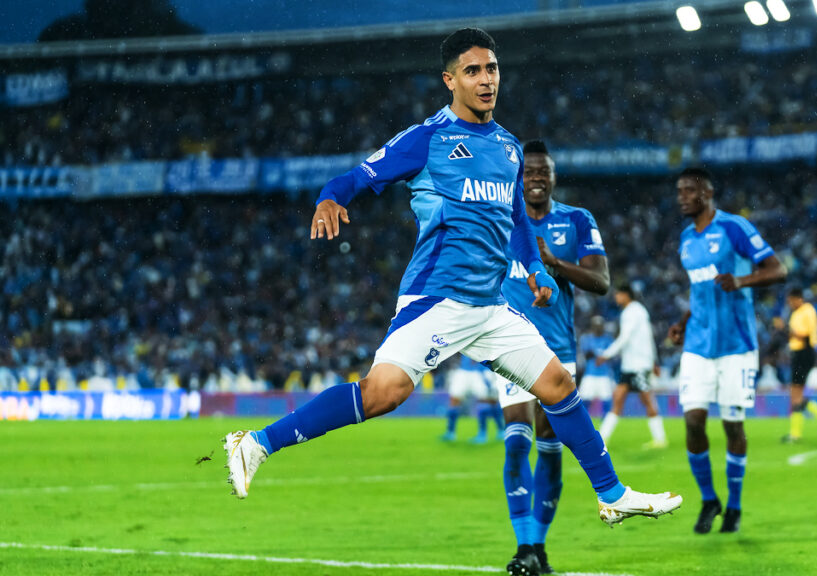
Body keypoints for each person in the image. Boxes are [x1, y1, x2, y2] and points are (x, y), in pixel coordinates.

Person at [223, 28, 681, 532]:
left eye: (492, 69)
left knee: (557, 384)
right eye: (472, 71)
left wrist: (533, 270)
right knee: (383, 394)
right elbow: (353, 178)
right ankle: (258, 444)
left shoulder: (509, 148)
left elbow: (518, 224)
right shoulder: (427, 138)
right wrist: (330, 199)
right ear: (450, 80)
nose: (486, 80)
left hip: (490, 307)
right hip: (438, 297)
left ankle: (612, 495)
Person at [492, 139, 610, 576]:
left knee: (550, 446)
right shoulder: (500, 218)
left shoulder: (577, 220)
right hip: (507, 345)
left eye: (544, 173)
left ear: (554, 179)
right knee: (516, 439)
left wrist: (554, 263)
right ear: (518, 178)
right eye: (530, 173)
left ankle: (537, 547)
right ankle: (524, 546)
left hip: (558, 351)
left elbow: (600, 281)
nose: (536, 179)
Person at [667, 167, 787, 534]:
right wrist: (684, 322)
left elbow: (777, 270)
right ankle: (708, 500)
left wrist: (742, 280)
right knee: (693, 421)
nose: (682, 197)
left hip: (736, 344)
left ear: (707, 192)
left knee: (733, 426)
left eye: (689, 190)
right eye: (679, 191)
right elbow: (700, 289)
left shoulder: (734, 227)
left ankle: (733, 505)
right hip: (698, 344)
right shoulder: (686, 239)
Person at [596, 285, 667, 450]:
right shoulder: (639, 311)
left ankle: (660, 439)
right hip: (632, 365)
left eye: (618, 294)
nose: (616, 297)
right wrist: (654, 361)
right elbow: (648, 338)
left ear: (626, 295)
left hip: (639, 365)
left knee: (646, 399)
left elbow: (624, 337)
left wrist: (606, 354)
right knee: (618, 398)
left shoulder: (631, 312)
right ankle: (602, 439)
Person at [780, 288, 817, 443]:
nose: (790, 304)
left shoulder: (807, 310)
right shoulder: (797, 313)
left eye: (791, 300)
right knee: (797, 395)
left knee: (795, 394)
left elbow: (804, 335)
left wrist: (785, 329)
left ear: (798, 298)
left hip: (804, 352)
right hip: (799, 353)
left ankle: (795, 434)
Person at [441, 353, 503, 443]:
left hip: (482, 369)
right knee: (454, 399)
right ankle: (450, 432)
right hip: (464, 369)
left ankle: (490, 432)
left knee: (488, 400)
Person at [578, 316, 615, 416]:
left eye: (599, 326)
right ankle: (585, 424)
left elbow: (612, 355)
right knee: (584, 401)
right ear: (592, 326)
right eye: (596, 326)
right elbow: (586, 354)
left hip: (604, 374)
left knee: (607, 402)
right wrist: (601, 355)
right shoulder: (586, 338)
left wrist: (599, 355)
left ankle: (605, 428)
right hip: (590, 374)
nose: (598, 328)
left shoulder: (608, 338)